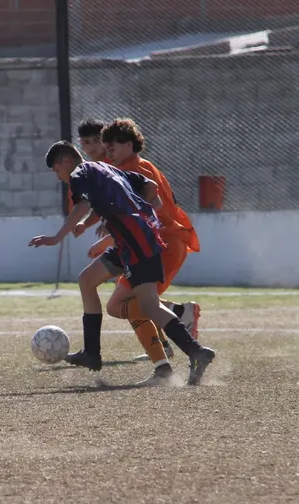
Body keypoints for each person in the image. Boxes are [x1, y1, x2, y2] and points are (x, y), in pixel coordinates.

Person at [30, 140, 215, 386]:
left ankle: (195, 351)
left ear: (65, 162)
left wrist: (56, 237)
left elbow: (82, 205)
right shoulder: (106, 169)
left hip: (135, 243)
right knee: (87, 280)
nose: (58, 176)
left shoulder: (78, 173)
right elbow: (148, 187)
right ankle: (92, 353)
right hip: (130, 241)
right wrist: (140, 212)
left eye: (56, 170)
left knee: (148, 305)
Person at [94, 118, 201, 360]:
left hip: (163, 246)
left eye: (113, 145)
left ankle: (174, 327)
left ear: (129, 144)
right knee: (123, 304)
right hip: (153, 245)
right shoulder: (138, 167)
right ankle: (165, 342)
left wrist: (107, 237)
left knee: (127, 304)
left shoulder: (134, 171)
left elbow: (141, 213)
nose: (108, 150)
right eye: (106, 146)